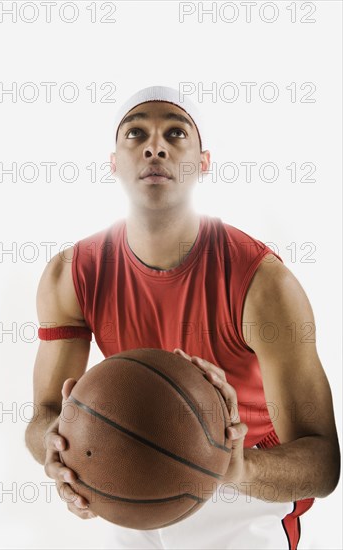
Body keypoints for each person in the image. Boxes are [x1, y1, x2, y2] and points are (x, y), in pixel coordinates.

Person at [25, 86, 340, 549]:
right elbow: (43, 418)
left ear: (204, 162)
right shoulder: (70, 274)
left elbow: (323, 463)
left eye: (176, 132)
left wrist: (236, 465)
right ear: (113, 161)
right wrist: (57, 449)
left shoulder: (262, 283)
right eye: (136, 133)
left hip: (246, 481)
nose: (156, 145)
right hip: (130, 471)